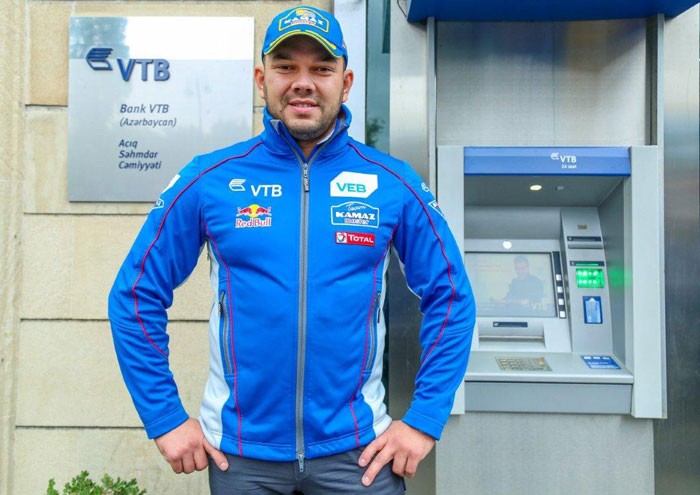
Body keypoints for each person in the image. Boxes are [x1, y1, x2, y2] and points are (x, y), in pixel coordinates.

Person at [108, 5, 475, 494]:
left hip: (358, 457)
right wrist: (166, 418)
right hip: (242, 458)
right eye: (286, 67)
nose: (303, 83)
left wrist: (424, 420)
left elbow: (452, 297)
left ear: (346, 83)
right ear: (262, 80)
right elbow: (135, 295)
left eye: (321, 69)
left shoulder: (391, 183)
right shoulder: (211, 179)